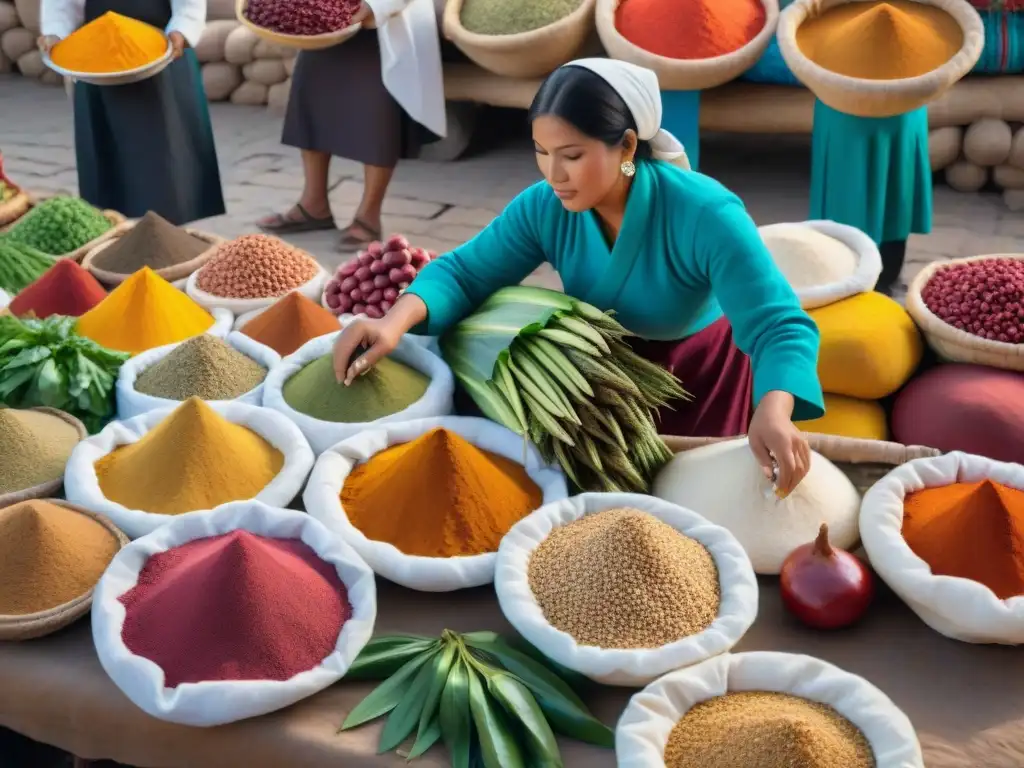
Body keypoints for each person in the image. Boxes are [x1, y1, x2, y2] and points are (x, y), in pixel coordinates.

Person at [332, 58, 824, 494]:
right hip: (597, 381)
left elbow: (779, 325)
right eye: (541, 152)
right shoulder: (545, 207)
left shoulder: (705, 212)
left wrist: (775, 408)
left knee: (693, 500)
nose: (553, 173)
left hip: (697, 381)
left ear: (627, 146)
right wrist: (391, 324)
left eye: (571, 155)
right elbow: (464, 272)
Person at [259, 0, 446, 251]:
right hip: (325, 17)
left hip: (385, 19)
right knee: (312, 92)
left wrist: (373, 6)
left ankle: (368, 216)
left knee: (377, 110)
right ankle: (314, 206)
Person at [38, 0, 225, 225]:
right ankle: (116, 234)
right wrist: (56, 32)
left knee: (169, 160)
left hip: (161, 54)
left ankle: (170, 235)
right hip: (97, 59)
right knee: (107, 156)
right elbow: (61, 5)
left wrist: (181, 30)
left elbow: (189, 5)